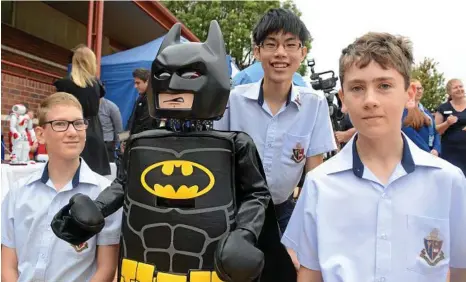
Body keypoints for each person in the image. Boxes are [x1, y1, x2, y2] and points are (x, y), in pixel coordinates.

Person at [51, 21, 297, 282]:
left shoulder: (233, 145)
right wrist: (97, 209)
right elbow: (124, 184)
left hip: (210, 266)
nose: (172, 84)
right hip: (142, 264)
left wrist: (245, 232)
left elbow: (256, 193)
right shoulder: (141, 143)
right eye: (163, 75)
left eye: (189, 75)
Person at [282, 32, 466, 282]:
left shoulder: (448, 181)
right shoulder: (319, 184)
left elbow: (459, 269)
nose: (370, 100)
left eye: (384, 86)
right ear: (343, 99)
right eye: (357, 88)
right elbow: (310, 273)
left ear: (410, 94)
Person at [214, 8, 336, 236]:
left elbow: (314, 173)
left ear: (303, 53)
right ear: (257, 52)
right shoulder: (233, 100)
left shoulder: (314, 104)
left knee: (289, 270)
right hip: (235, 210)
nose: (281, 53)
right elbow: (217, 159)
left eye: (290, 44)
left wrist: (308, 222)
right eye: (271, 44)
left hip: (284, 211)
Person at [1, 92, 121, 282]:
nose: (72, 132)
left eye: (78, 123)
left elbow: (106, 269)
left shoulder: (105, 195)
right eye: (60, 124)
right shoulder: (19, 192)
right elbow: (7, 265)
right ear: (40, 134)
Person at [54, 46, 110, 176]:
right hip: (93, 130)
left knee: (69, 174)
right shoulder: (97, 84)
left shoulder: (64, 83)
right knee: (93, 176)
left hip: (70, 129)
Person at [434, 78, 466, 175]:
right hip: (450, 152)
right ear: (449, 92)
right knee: (453, 179)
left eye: (461, 86)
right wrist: (447, 123)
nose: (459, 89)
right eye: (455, 87)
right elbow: (436, 131)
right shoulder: (443, 108)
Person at [402, 79, 441, 155]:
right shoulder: (404, 110)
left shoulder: (426, 112)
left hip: (432, 154)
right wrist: (427, 152)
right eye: (416, 88)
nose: (419, 91)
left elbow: (435, 133)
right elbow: (409, 133)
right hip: (417, 154)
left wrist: (436, 149)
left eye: (420, 88)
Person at [126, 68, 158, 135]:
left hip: (143, 140)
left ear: (147, 82)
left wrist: (132, 138)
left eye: (138, 83)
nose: (135, 86)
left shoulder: (152, 99)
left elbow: (145, 124)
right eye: (135, 83)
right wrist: (126, 137)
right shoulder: (140, 97)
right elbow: (132, 119)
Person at [98, 97, 123, 162]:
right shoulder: (87, 107)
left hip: (107, 143)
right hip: (91, 143)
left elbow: (119, 128)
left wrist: (120, 144)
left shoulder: (111, 107)